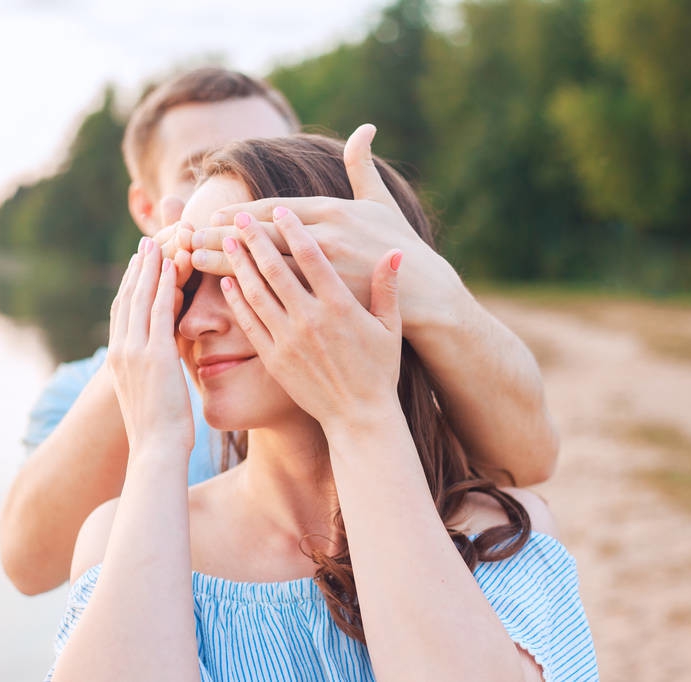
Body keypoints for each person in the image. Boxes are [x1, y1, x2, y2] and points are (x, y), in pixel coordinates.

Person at [45, 130, 596, 681]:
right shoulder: (121, 535)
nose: (194, 321)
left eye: (245, 271)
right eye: (189, 285)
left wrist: (360, 411)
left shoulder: (499, 533)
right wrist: (156, 445)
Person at [0, 67, 560, 597]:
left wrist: (425, 287)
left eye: (271, 157)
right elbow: (30, 563)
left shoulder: (396, 360)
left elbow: (526, 463)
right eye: (204, 169)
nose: (245, 173)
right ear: (153, 208)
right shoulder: (80, 389)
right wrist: (148, 349)